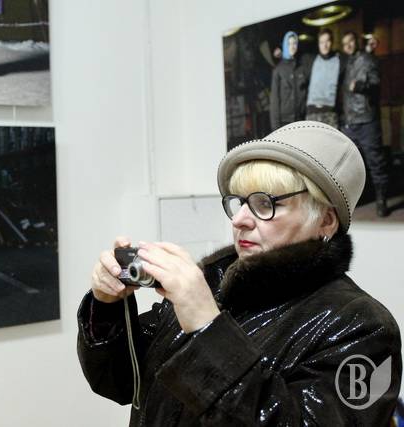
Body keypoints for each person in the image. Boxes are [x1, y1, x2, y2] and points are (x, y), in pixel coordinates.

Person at [77, 121, 401, 425]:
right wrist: (106, 307)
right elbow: (122, 382)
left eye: (265, 203)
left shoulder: (362, 328)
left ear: (325, 221)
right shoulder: (212, 281)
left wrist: (207, 327)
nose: (239, 219)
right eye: (240, 202)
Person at [340, 31, 389, 217]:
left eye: (351, 41)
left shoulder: (368, 59)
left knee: (376, 162)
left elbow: (376, 83)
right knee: (352, 164)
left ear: (356, 41)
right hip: (350, 122)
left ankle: (381, 200)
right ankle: (361, 197)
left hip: (367, 120)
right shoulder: (347, 62)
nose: (348, 45)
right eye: (345, 43)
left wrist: (360, 86)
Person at [270, 31, 312, 130]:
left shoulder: (301, 68)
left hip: (300, 120)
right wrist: (275, 127)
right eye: (289, 44)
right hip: (284, 122)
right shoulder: (278, 70)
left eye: (294, 43)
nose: (292, 47)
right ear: (285, 45)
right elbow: (274, 100)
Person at [306, 28, 343, 128]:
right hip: (312, 112)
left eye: (327, 41)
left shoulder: (340, 59)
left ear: (332, 42)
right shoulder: (311, 60)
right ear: (318, 44)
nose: (325, 45)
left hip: (331, 113)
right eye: (322, 42)